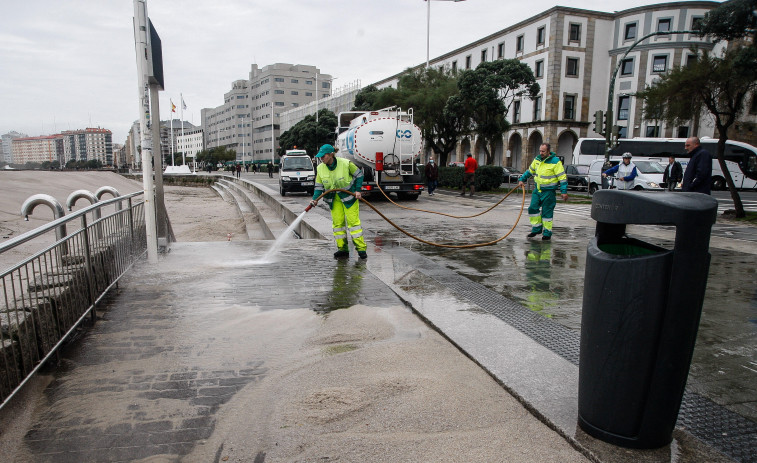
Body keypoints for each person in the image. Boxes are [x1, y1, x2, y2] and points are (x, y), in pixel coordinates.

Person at [310, 144, 368, 260]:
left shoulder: (345, 164)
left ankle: (361, 249)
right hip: (333, 199)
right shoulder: (320, 168)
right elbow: (318, 186)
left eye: (323, 156)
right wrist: (315, 199)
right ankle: (342, 249)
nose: (321, 159)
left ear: (331, 155)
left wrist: (357, 190)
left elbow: (359, 175)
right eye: (320, 157)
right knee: (338, 224)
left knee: (353, 224)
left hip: (349, 198)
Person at [517, 143, 568, 241]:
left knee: (547, 213)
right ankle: (536, 228)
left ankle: (547, 233)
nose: (541, 153)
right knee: (532, 208)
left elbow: (562, 178)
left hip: (549, 192)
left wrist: (564, 192)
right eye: (540, 151)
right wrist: (522, 179)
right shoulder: (537, 160)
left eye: (543, 151)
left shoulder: (556, 162)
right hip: (537, 190)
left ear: (548, 151)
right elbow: (530, 171)